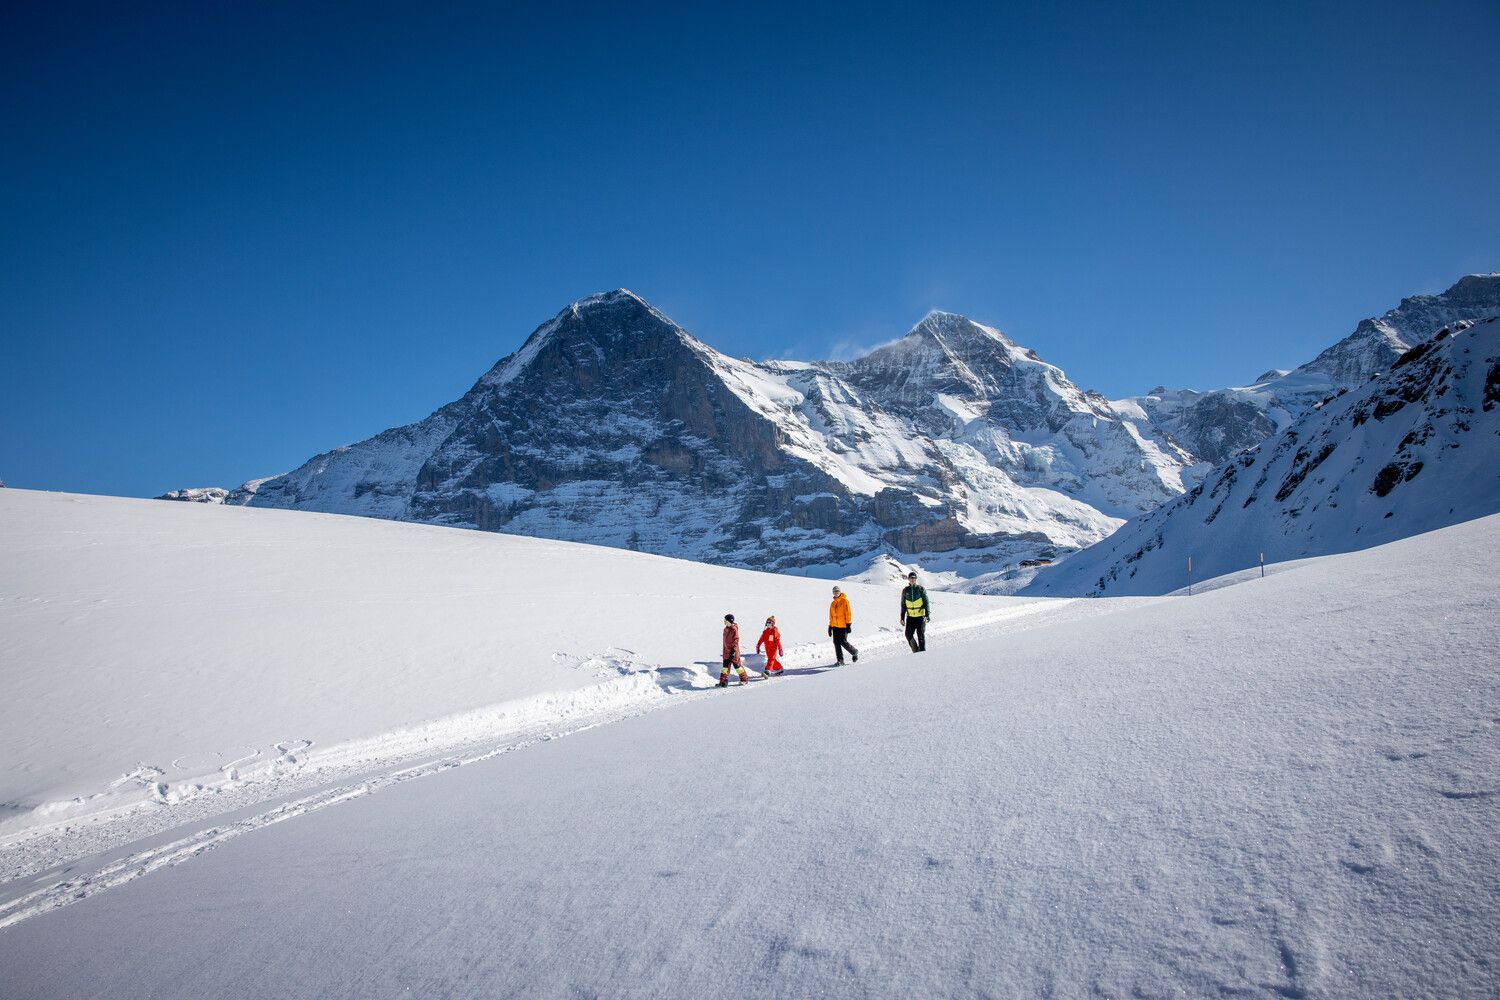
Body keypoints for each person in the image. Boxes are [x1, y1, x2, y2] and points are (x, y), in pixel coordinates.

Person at [900, 571, 931, 652]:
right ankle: (915, 650)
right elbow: (903, 604)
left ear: (916, 579)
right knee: (908, 635)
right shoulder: (905, 590)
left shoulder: (921, 589)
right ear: (908, 579)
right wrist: (902, 617)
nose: (912, 579)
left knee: (920, 635)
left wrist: (927, 613)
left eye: (914, 578)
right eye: (911, 578)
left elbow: (926, 601)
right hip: (910, 617)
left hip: (920, 617)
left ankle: (922, 652)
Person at [828, 586, 859, 664]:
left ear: (840, 592)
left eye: (837, 591)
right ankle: (840, 660)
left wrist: (848, 624)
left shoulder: (845, 601)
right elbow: (831, 616)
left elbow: (848, 613)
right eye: (834, 592)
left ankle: (854, 651)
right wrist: (830, 626)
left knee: (843, 641)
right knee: (836, 642)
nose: (836, 593)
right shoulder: (832, 603)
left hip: (843, 626)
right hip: (835, 626)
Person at [719, 614, 749, 687]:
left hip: (733, 652)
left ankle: (744, 679)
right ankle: (723, 681)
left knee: (737, 667)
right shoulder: (725, 629)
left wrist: (734, 651)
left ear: (729, 621)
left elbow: (736, 640)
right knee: (725, 668)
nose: (724, 622)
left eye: (725, 620)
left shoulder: (733, 629)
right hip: (726, 652)